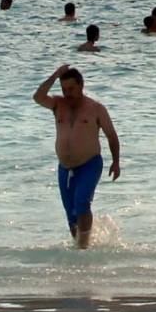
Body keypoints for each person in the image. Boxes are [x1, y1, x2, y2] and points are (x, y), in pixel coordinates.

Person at [33, 64, 121, 247]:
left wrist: (116, 162)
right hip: (65, 166)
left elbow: (111, 135)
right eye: (64, 89)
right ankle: (80, 244)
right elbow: (38, 97)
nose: (68, 93)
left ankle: (83, 246)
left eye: (71, 89)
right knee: (71, 213)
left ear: (81, 86)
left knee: (81, 203)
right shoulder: (58, 104)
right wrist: (55, 74)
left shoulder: (96, 108)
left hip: (90, 163)